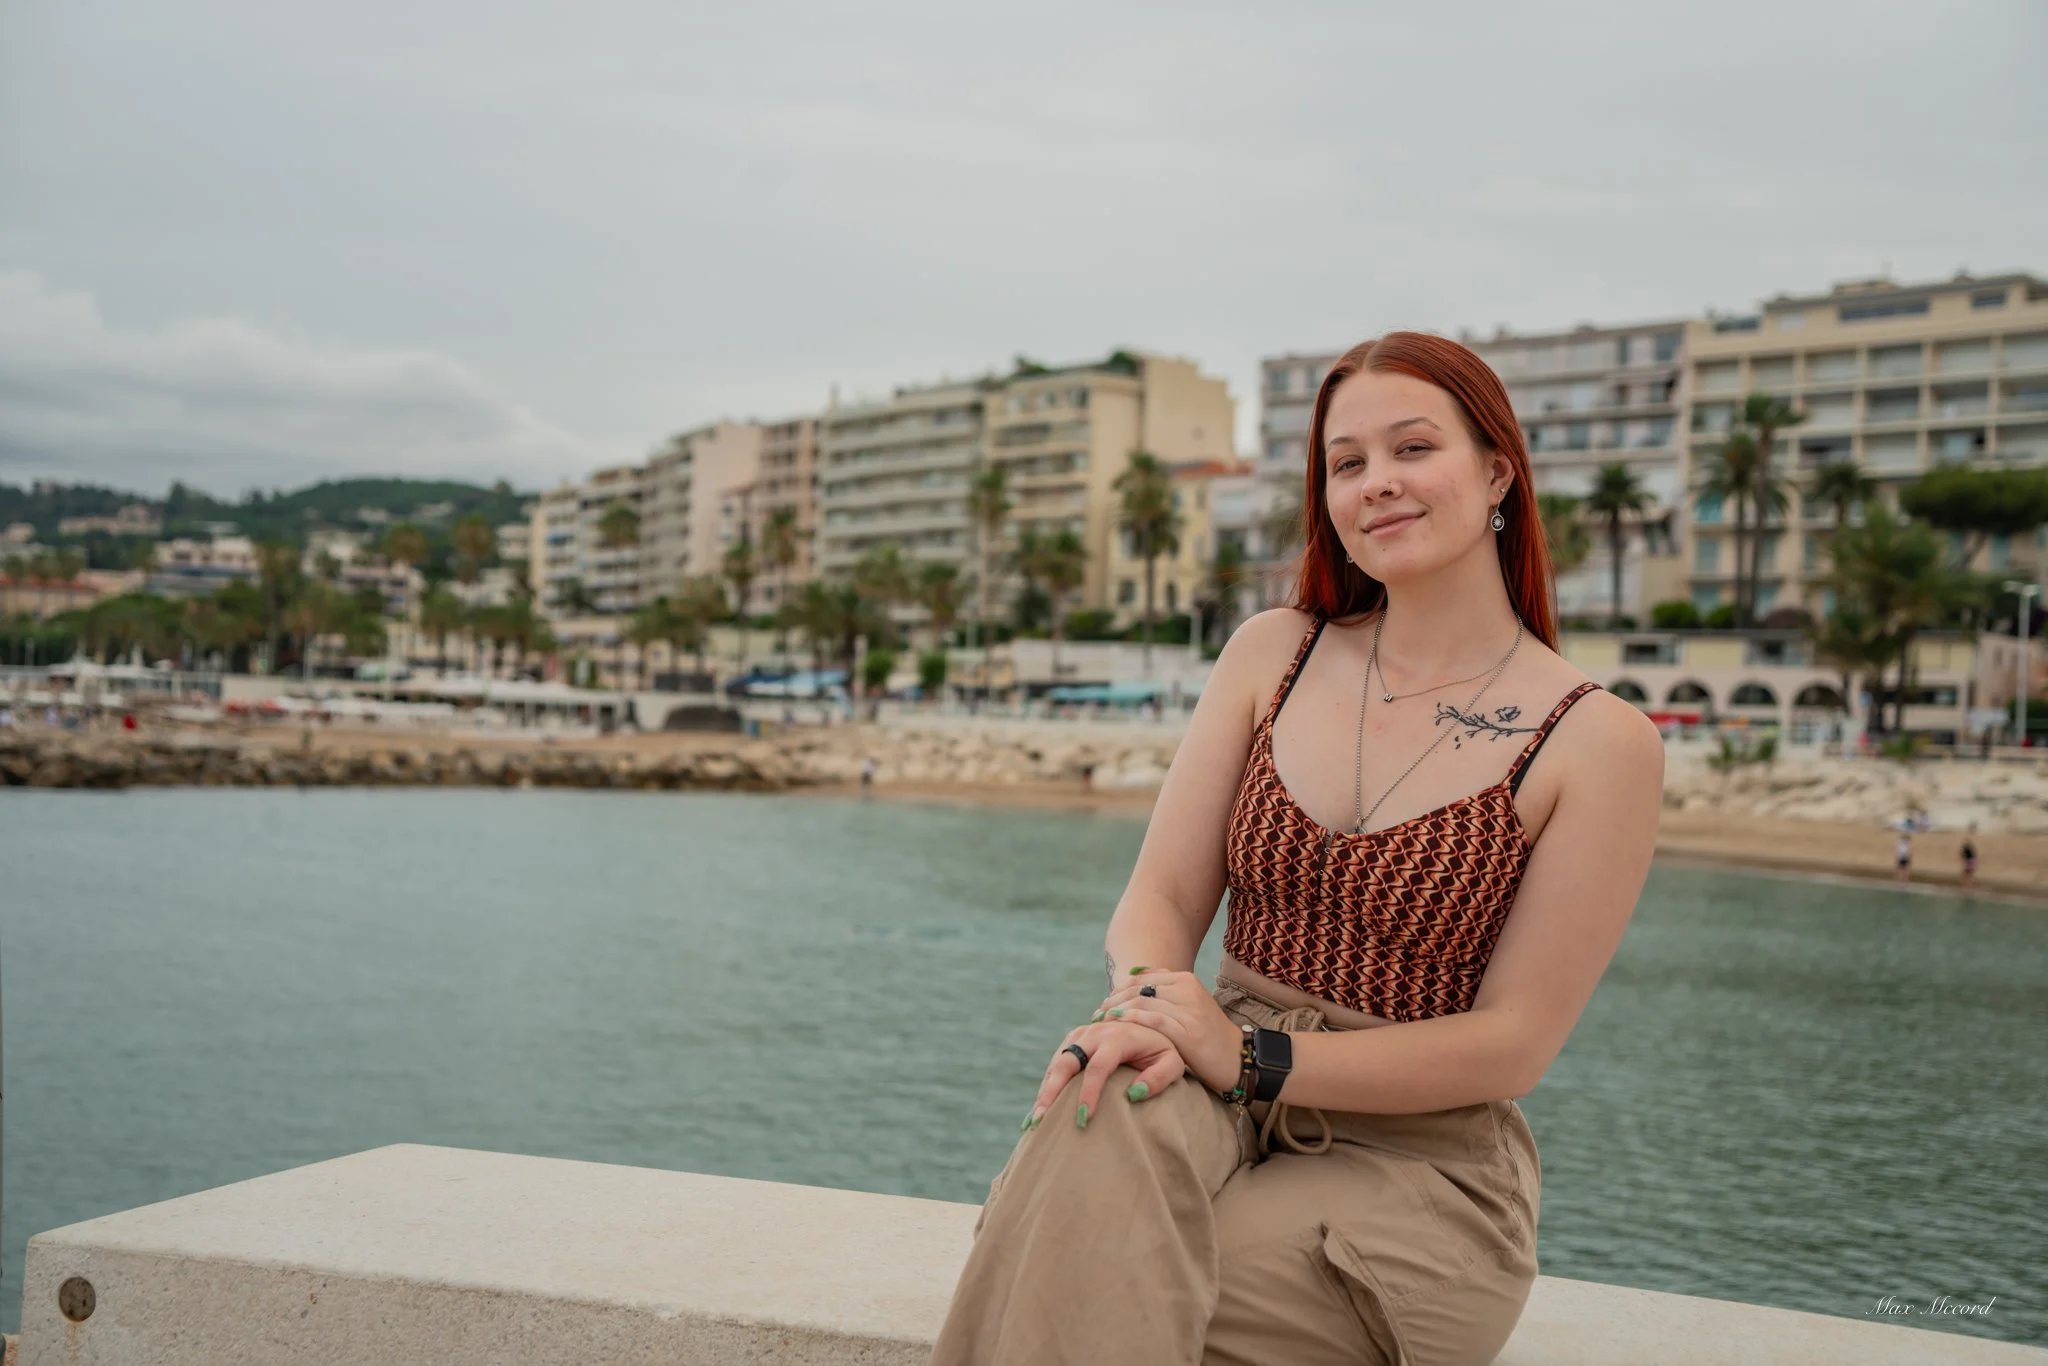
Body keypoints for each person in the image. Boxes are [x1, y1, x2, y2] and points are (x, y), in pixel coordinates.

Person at [928, 332, 1665, 1366]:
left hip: (1412, 1154)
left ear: (1497, 470)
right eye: (1345, 463)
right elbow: (1159, 901)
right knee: (1094, 1111)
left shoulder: (1597, 741)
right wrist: (1146, 1009)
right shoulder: (1272, 653)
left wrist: (1252, 1056)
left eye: (1413, 449)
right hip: (1206, 1071)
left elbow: (1513, 1043)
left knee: (1090, 1273)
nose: (1377, 485)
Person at [1960, 823, 1978, 889]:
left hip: (1968, 861)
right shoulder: (1969, 848)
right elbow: (1974, 855)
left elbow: (1962, 854)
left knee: (1966, 874)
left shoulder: (1966, 848)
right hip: (1971, 861)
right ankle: (1969, 885)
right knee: (1969, 874)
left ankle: (1966, 885)